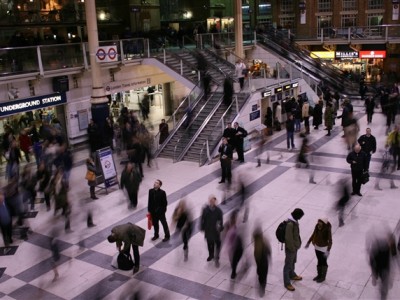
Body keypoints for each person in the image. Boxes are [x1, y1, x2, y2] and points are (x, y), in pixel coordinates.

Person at [305, 218, 333, 283]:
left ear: (324, 222)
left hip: (324, 248)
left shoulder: (327, 228)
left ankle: (323, 277)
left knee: (323, 262)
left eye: (320, 222)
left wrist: (328, 250)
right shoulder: (317, 226)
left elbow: (330, 240)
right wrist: (308, 242)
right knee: (319, 260)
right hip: (317, 246)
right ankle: (319, 275)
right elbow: (313, 234)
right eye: (318, 221)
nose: (318, 222)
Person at [283, 208, 304, 292]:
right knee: (288, 265)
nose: (301, 218)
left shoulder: (295, 221)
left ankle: (292, 274)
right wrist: (292, 248)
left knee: (293, 262)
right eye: (301, 216)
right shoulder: (290, 224)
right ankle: (287, 283)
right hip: (291, 248)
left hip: (294, 247)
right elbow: (288, 238)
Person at [200, 195, 223, 267]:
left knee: (218, 244)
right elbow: (202, 219)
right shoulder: (205, 210)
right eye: (211, 201)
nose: (212, 202)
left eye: (213, 201)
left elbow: (221, 220)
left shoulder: (218, 211)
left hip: (216, 231)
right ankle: (211, 255)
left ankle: (216, 256)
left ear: (215, 202)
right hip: (208, 230)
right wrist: (202, 227)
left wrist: (220, 227)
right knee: (210, 244)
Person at [253, 226, 271, 297]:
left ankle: (262, 286)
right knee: (263, 275)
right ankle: (262, 287)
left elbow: (257, 254)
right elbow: (268, 251)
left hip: (260, 261)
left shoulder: (257, 242)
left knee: (261, 274)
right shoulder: (262, 241)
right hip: (263, 261)